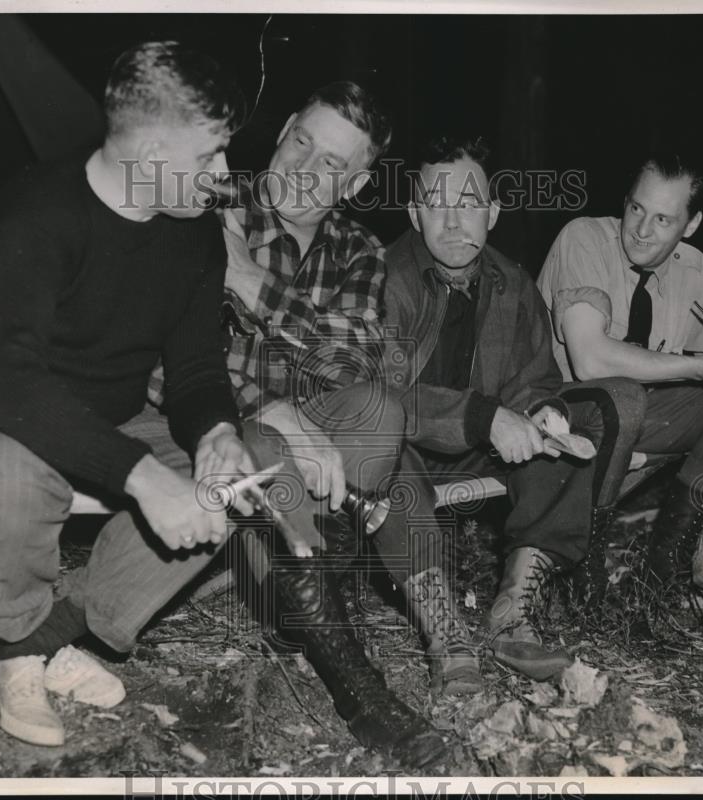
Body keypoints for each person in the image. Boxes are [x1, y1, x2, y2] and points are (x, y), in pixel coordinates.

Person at [0, 41, 260, 748]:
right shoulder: (40, 207)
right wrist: (144, 477)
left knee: (236, 481)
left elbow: (196, 373)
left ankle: (45, 636)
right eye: (210, 154)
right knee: (13, 476)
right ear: (148, 151)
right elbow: (5, 382)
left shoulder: (197, 236)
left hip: (93, 413)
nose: (224, 176)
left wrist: (216, 434)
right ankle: (23, 652)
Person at [149, 82, 465, 768]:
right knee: (262, 444)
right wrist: (275, 408)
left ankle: (316, 580)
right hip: (209, 435)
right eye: (301, 142)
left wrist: (245, 281)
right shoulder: (208, 201)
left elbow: (346, 366)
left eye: (331, 165)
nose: (302, 168)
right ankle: (358, 689)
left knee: (383, 411)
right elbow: (161, 362)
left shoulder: (358, 250)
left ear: (354, 184)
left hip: (316, 440)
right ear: (284, 127)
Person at [383, 134, 622, 682]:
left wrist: (542, 411)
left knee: (574, 429)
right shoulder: (382, 277)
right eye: (436, 204)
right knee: (383, 447)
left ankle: (511, 611)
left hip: (478, 450)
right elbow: (378, 394)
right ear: (414, 212)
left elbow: (533, 378)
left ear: (492, 211)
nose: (451, 221)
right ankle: (443, 630)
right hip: (404, 450)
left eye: (468, 204)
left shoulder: (511, 282)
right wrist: (484, 416)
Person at [536, 152, 703, 591]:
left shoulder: (698, 272)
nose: (642, 230)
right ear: (625, 201)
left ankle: (664, 570)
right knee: (622, 396)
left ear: (691, 224)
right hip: (562, 408)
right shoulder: (584, 238)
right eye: (637, 209)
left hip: (634, 413)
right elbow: (590, 360)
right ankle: (582, 569)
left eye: (663, 219)